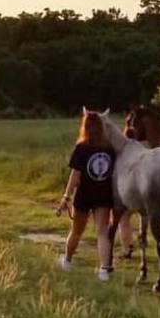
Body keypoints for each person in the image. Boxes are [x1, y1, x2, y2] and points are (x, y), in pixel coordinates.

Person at [56, 107, 117, 280]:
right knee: (102, 233)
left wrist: (66, 197)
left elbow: (75, 176)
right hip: (104, 195)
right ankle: (104, 270)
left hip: (84, 196)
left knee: (76, 231)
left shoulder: (81, 148)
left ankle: (67, 261)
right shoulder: (109, 149)